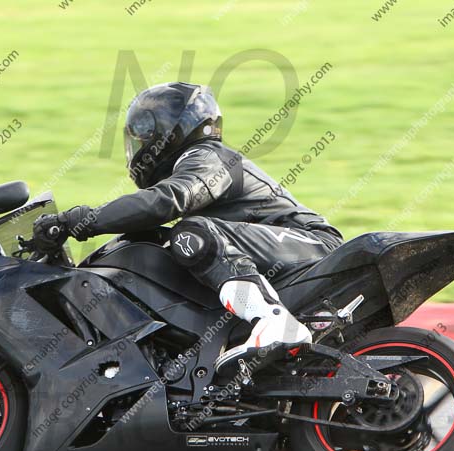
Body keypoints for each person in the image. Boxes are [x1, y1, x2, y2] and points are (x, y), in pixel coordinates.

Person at [33, 82, 342, 374]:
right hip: (287, 249)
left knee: (192, 235)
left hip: (312, 243)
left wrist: (81, 220)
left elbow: (168, 199)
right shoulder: (199, 160)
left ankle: (275, 321)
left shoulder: (208, 157)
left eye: (143, 136)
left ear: (168, 132)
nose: (138, 147)